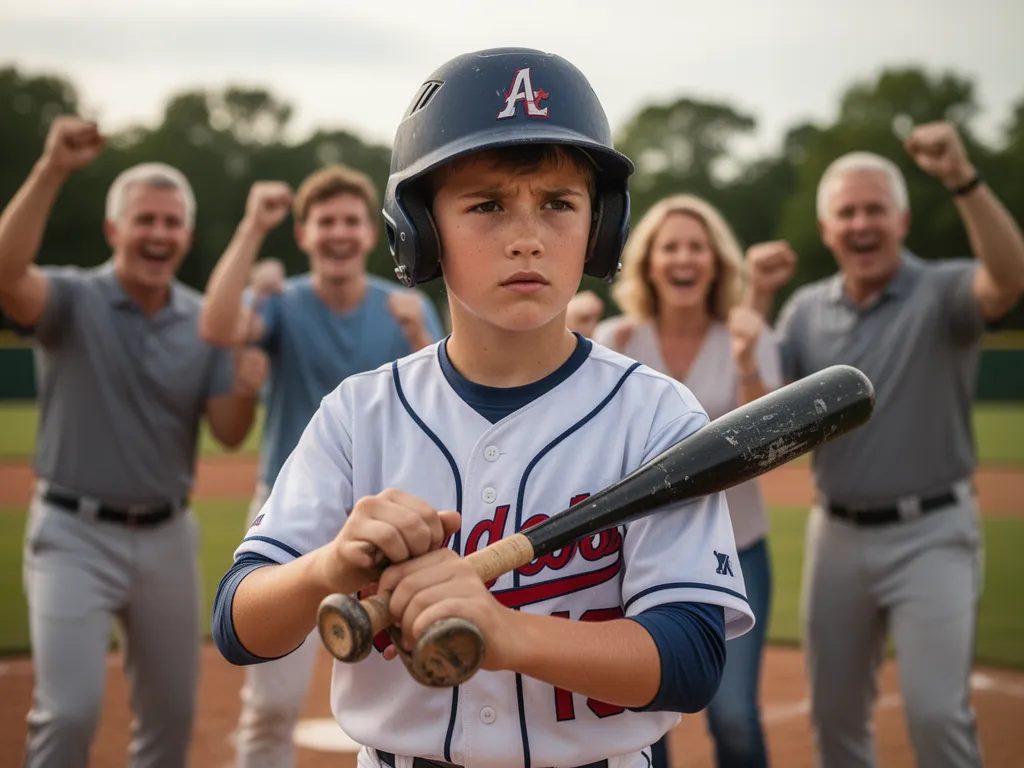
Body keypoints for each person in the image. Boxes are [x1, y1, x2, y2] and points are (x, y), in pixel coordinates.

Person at [211, 47, 757, 768]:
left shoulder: (655, 416)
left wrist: (503, 633)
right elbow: (238, 625)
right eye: (488, 204)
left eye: (559, 203)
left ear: (601, 227)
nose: (527, 236)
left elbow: (689, 659)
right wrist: (329, 566)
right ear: (420, 230)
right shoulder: (359, 414)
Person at [751, 123, 1024, 768]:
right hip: (836, 535)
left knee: (935, 714)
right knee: (835, 719)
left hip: (932, 532)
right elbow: (758, 405)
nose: (861, 222)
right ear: (827, 230)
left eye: (874, 209)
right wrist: (756, 293)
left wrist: (962, 176)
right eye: (847, 212)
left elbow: (1010, 279)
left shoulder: (944, 290)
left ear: (900, 219)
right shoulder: (803, 311)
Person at [0, 117, 266, 767]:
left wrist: (247, 382)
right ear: (115, 230)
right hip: (72, 534)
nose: (159, 233)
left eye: (171, 223)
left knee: (171, 723)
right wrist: (52, 168)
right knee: (69, 713)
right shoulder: (71, 298)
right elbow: (6, 273)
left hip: (167, 539)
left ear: (185, 235)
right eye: (145, 220)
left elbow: (229, 434)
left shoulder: (204, 321)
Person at [199, 164, 444, 767]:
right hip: (294, 513)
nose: (338, 233)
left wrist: (420, 336)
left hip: (396, 520)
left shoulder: (405, 309)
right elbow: (218, 326)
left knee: (413, 693)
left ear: (371, 234)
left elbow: (445, 401)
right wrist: (255, 227)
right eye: (325, 221)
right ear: (305, 235)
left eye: (351, 221)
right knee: (272, 701)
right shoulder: (282, 303)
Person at [568, 195, 796, 768]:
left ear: (716, 263)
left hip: (737, 549)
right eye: (670, 246)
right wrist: (575, 339)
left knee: (735, 717)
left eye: (696, 246)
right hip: (635, 556)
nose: (683, 257)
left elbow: (771, 451)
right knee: (645, 713)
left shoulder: (748, 333)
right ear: (648, 263)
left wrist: (746, 359)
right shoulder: (617, 338)